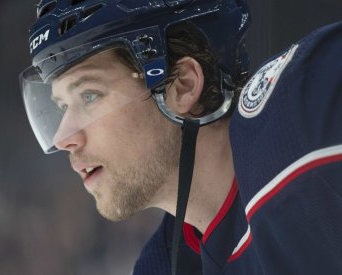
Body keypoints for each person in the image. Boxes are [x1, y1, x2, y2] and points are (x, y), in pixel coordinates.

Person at [20, 0, 342, 274]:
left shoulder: (300, 113)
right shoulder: (165, 264)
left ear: (183, 85)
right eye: (62, 106)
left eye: (89, 95)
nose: (63, 137)